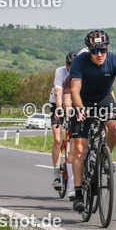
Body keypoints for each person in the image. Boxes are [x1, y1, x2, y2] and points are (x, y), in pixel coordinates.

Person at [69, 30, 116, 213]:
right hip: (83, 101)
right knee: (80, 148)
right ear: (89, 50)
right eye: (95, 51)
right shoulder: (79, 61)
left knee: (115, 125)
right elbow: (75, 89)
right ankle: (79, 193)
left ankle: (105, 157)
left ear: (107, 48)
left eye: (103, 50)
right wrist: (80, 109)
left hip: (104, 99)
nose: (99, 54)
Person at [51, 51, 76, 190]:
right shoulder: (60, 71)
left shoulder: (83, 71)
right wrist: (59, 108)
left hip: (74, 103)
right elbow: (58, 91)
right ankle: (56, 175)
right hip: (58, 103)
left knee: (76, 139)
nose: (70, 69)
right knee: (57, 139)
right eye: (68, 66)